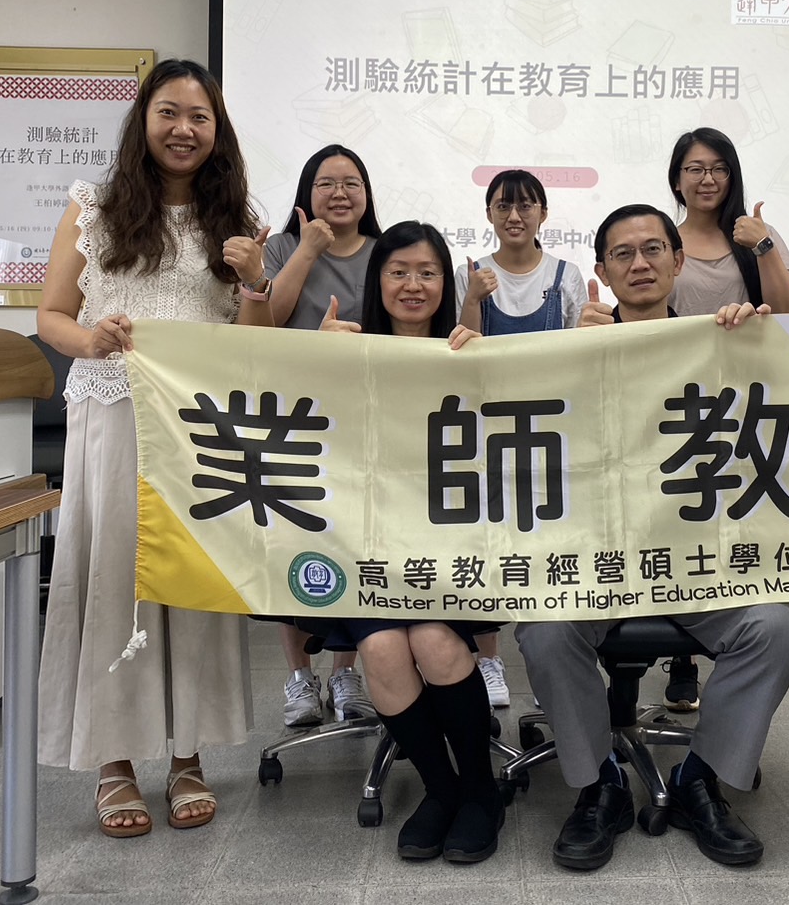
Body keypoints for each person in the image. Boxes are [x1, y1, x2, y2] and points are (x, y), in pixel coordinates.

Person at [515, 204, 789, 872]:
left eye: (653, 249)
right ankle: (600, 786)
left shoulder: (721, 337)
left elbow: (782, 408)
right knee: (545, 629)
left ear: (678, 262)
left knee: (775, 628)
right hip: (597, 560)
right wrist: (566, 358)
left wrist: (755, 341)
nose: (639, 263)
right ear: (601, 269)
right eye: (622, 253)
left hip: (697, 561)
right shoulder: (570, 345)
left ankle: (699, 779)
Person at [37, 58, 273, 837]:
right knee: (114, 579)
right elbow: (51, 316)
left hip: (199, 429)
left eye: (199, 117)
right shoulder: (94, 208)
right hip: (113, 415)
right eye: (169, 112)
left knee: (190, 584)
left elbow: (254, 344)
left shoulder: (234, 219)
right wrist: (90, 340)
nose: (183, 129)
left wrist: (257, 282)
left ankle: (186, 755)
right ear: (143, 120)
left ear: (217, 131)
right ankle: (113, 762)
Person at [313, 220, 503, 864]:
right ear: (378, 280)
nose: (413, 285)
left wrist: (486, 363)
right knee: (382, 649)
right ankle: (442, 789)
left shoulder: (466, 349)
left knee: (431, 638)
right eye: (398, 272)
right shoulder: (347, 348)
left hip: (453, 549)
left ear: (445, 282)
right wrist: (313, 359)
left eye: (427, 272)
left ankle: (481, 789)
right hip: (366, 549)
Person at [661, 128, 789, 711]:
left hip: (743, 403)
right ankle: (681, 659)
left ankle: (732, 640)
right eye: (695, 169)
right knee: (679, 516)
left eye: (718, 167)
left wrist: (762, 244)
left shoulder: (755, 233)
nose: (707, 179)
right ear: (677, 179)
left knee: (731, 520)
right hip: (672, 401)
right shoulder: (661, 240)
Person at [454, 169, 589, 706]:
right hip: (486, 432)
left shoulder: (566, 275)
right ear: (488, 213)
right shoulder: (472, 273)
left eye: (526, 205)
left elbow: (580, 352)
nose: (515, 216)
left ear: (543, 214)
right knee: (487, 548)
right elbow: (460, 348)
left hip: (553, 433)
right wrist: (472, 298)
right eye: (503, 206)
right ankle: (489, 661)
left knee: (548, 549)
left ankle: (549, 670)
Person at [263, 144, 384, 727]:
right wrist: (308, 251)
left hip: (365, 418)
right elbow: (267, 320)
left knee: (353, 543)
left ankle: (344, 672)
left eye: (351, 183)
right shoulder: (282, 247)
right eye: (326, 183)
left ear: (367, 194)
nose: (339, 193)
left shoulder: (385, 251)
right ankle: (299, 678)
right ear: (306, 193)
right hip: (295, 416)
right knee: (296, 542)